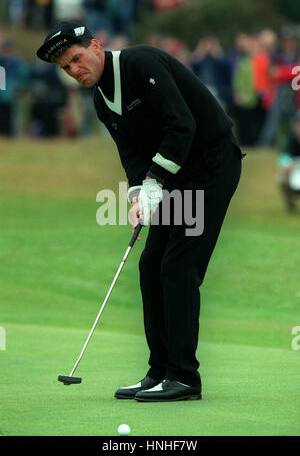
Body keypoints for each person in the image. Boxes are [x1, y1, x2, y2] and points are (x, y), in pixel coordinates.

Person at [36, 21, 244, 402]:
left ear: (96, 46)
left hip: (211, 164)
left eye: (77, 59)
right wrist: (137, 195)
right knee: (150, 266)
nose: (75, 71)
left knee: (178, 266)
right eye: (66, 68)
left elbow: (182, 124)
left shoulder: (140, 63)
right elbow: (132, 153)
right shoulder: (102, 100)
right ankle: (160, 370)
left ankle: (184, 377)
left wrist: (153, 183)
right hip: (175, 177)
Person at [277, 110, 300, 212]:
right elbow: (283, 157)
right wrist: (287, 165)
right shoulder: (290, 140)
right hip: (294, 175)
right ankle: (291, 207)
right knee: (281, 179)